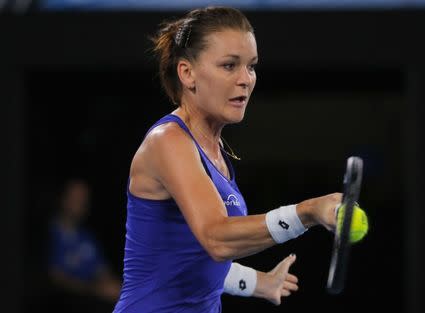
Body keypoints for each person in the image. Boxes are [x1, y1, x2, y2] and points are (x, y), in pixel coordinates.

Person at [113, 6, 341, 313]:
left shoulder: (215, 151)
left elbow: (186, 259)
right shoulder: (168, 141)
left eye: (251, 66)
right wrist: (306, 213)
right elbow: (216, 239)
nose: (245, 79)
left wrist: (257, 282)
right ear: (187, 73)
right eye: (229, 65)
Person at [48, 179, 121, 313]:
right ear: (62, 198)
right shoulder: (49, 234)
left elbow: (104, 273)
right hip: (69, 303)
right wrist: (94, 290)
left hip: (97, 301)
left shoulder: (87, 237)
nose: (80, 204)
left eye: (84, 199)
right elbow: (55, 279)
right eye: (75, 198)